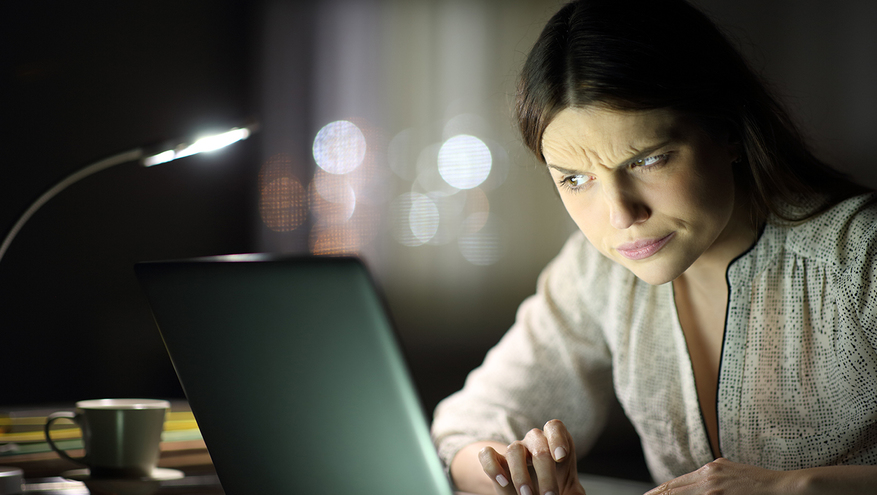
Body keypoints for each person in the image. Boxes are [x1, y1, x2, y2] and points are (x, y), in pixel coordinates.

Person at [430, 0, 877, 494]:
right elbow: (465, 429)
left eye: (649, 160)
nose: (620, 215)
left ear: (727, 131)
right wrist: (510, 475)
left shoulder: (860, 259)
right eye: (576, 179)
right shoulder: (596, 272)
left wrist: (793, 488)